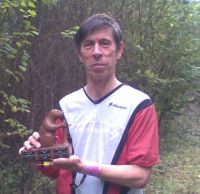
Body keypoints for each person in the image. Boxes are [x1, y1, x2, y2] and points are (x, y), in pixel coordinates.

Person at [19, 13, 159, 194]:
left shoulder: (139, 105)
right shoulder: (65, 106)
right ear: (79, 54)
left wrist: (85, 167)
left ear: (119, 50)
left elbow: (140, 176)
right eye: (88, 44)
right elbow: (55, 170)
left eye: (105, 43)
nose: (97, 52)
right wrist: (38, 157)